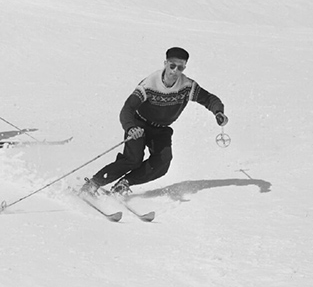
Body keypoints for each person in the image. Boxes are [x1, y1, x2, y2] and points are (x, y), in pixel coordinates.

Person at [82, 47, 228, 195]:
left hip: (162, 129)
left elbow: (209, 99)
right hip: (140, 124)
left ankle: (125, 183)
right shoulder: (149, 84)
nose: (175, 71)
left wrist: (218, 112)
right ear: (165, 63)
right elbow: (127, 108)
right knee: (132, 160)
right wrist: (131, 127)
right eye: (172, 66)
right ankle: (94, 184)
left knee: (162, 163)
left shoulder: (187, 86)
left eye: (180, 67)